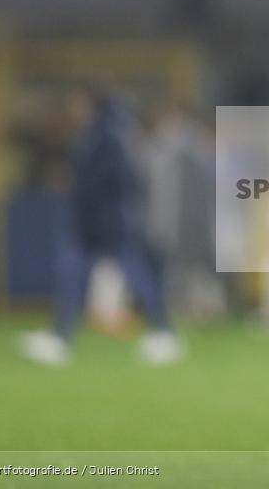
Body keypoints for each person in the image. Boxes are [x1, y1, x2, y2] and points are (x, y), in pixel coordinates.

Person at [20, 88, 183, 365]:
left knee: (131, 276)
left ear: (88, 103)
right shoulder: (112, 132)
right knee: (81, 276)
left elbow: (111, 180)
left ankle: (163, 333)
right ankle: (61, 337)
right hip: (102, 221)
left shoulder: (107, 136)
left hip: (106, 222)